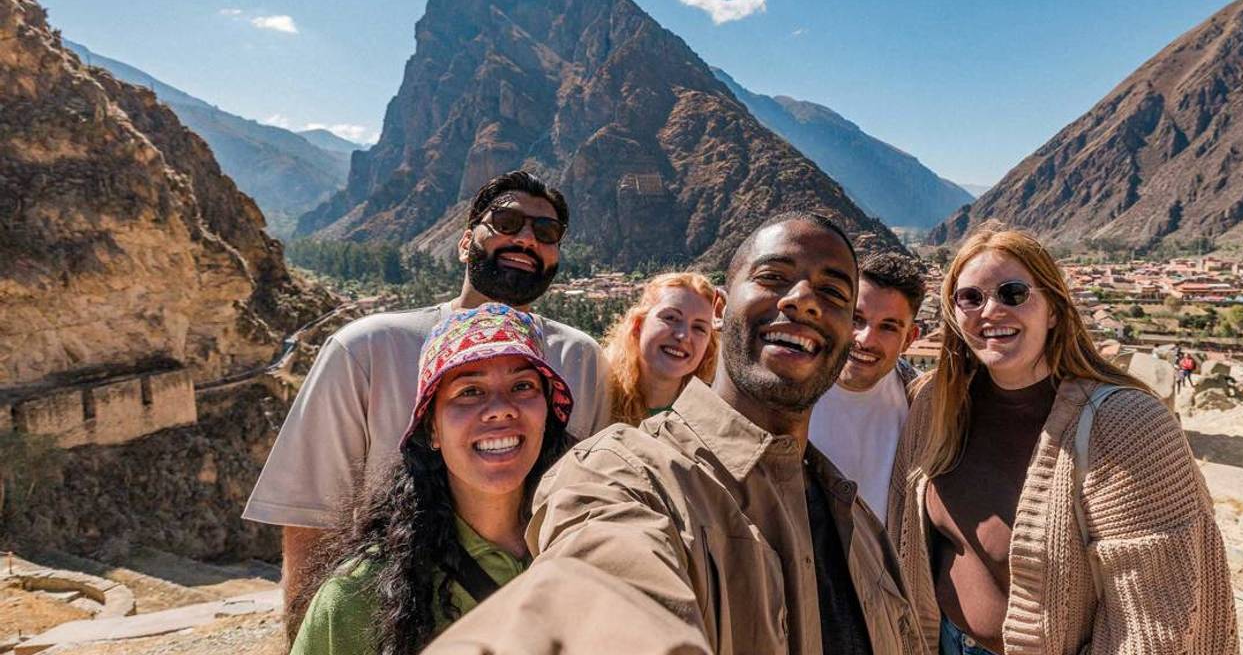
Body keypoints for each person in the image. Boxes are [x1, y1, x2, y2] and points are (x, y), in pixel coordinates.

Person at [428, 212, 926, 654]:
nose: (803, 301)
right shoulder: (626, 474)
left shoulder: (862, 528)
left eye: (834, 293)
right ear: (721, 310)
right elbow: (601, 580)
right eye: (774, 277)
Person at [243, 170, 610, 636]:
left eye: (545, 231)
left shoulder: (580, 359)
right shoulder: (365, 351)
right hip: (395, 615)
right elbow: (310, 524)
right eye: (506, 221)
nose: (525, 239)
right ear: (464, 243)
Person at [886, 222, 1236, 655]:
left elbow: (1154, 624)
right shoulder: (934, 405)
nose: (990, 311)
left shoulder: (1126, 426)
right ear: (954, 315)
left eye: (1013, 293)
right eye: (970, 298)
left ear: (1053, 308)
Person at [291, 304, 575, 655]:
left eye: (522, 385)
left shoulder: (584, 552)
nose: (501, 408)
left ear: (546, 413)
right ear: (433, 429)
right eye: (469, 391)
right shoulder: (358, 597)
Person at [808, 251, 924, 527]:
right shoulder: (788, 390)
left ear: (909, 338)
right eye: (856, 319)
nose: (865, 339)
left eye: (888, 327)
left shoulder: (921, 404)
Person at [602, 272, 720, 426]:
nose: (683, 336)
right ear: (638, 325)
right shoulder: (595, 395)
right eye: (671, 318)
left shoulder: (709, 418)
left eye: (699, 327)